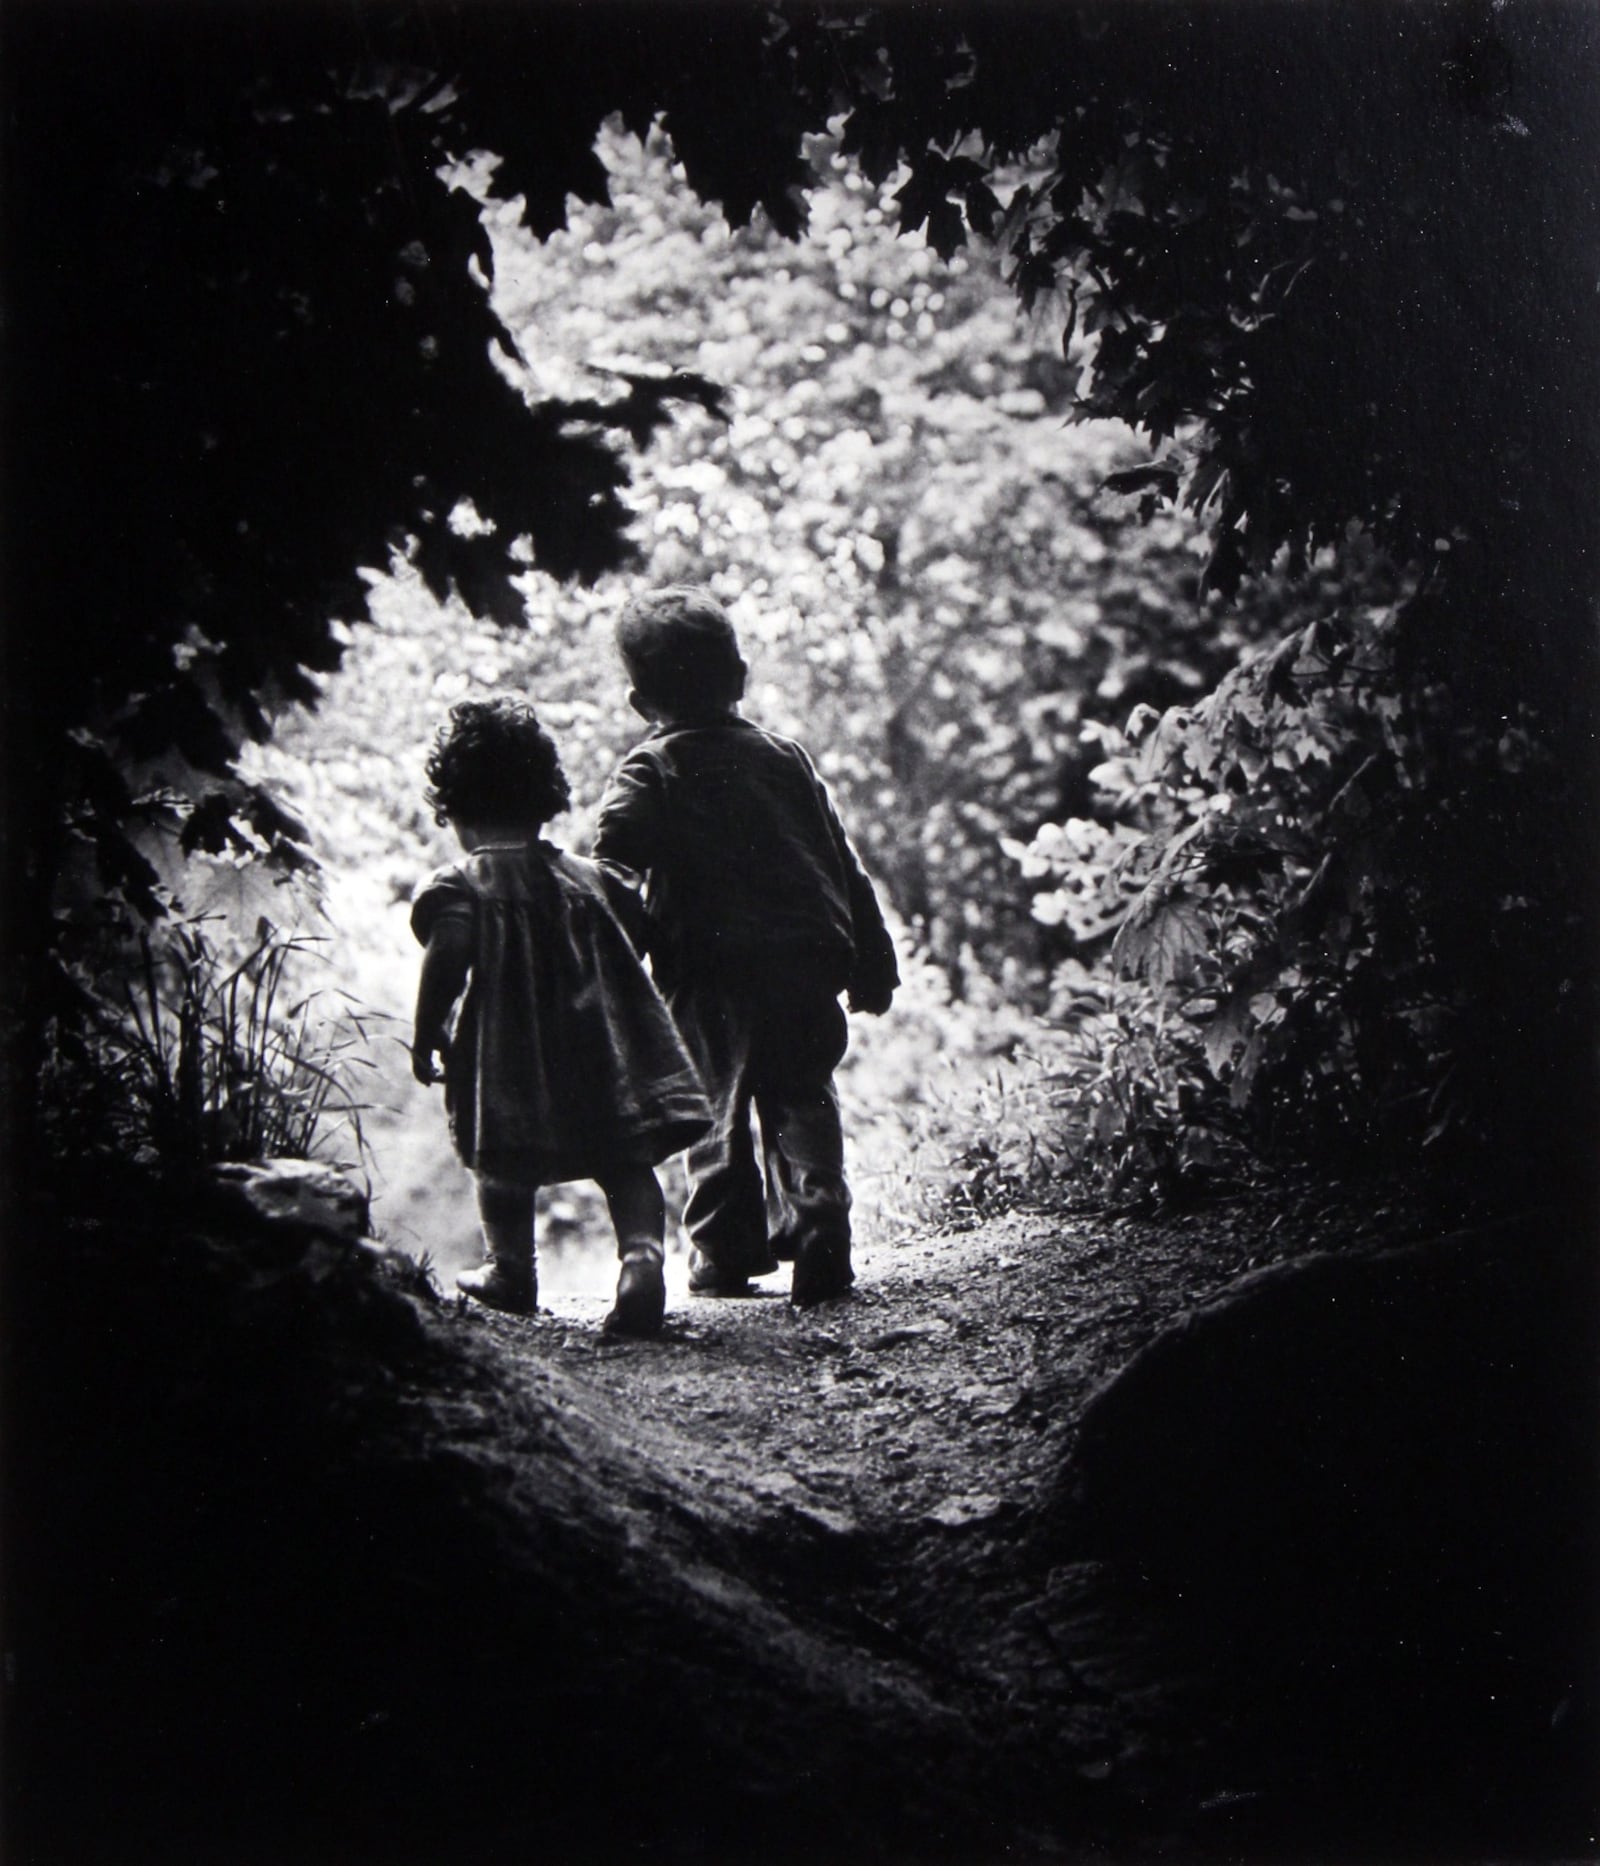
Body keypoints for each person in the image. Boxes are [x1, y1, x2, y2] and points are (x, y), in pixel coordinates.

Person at [593, 585, 898, 1307]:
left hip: (709, 967)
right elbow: (840, 859)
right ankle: (821, 1214)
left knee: (713, 1108)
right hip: (805, 954)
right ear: (740, 676)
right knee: (802, 1092)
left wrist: (617, 947)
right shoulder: (786, 757)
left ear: (641, 704)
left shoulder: (650, 767)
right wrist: (873, 957)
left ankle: (726, 1253)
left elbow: (614, 861)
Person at [410, 696, 710, 1335]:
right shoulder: (587, 877)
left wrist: (427, 1029)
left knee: (499, 1165)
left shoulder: (463, 885)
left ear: (454, 809)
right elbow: (636, 927)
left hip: (509, 1060)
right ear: (544, 797)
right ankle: (641, 1261)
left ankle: (512, 1270)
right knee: (626, 1162)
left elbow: (449, 955)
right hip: (601, 1053)